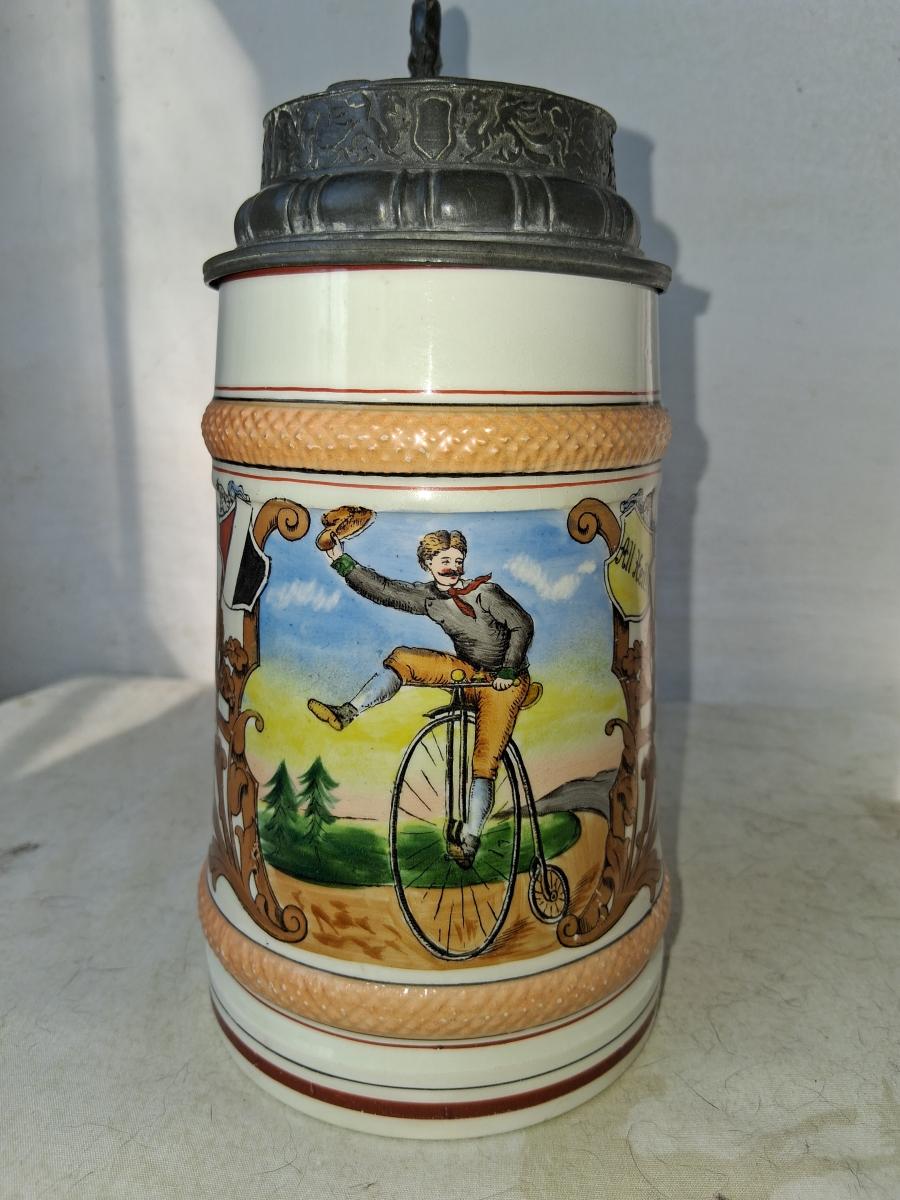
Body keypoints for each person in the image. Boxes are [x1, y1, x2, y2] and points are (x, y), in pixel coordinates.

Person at [308, 529, 535, 868]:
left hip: (505, 682)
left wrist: (509, 668)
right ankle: (347, 711)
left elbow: (522, 626)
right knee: (404, 659)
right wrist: (340, 561)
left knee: (484, 760)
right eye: (445, 561)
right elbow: (385, 590)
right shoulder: (430, 598)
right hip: (468, 674)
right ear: (428, 564)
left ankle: (470, 839)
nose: (453, 567)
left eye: (458, 560)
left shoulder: (485, 593)